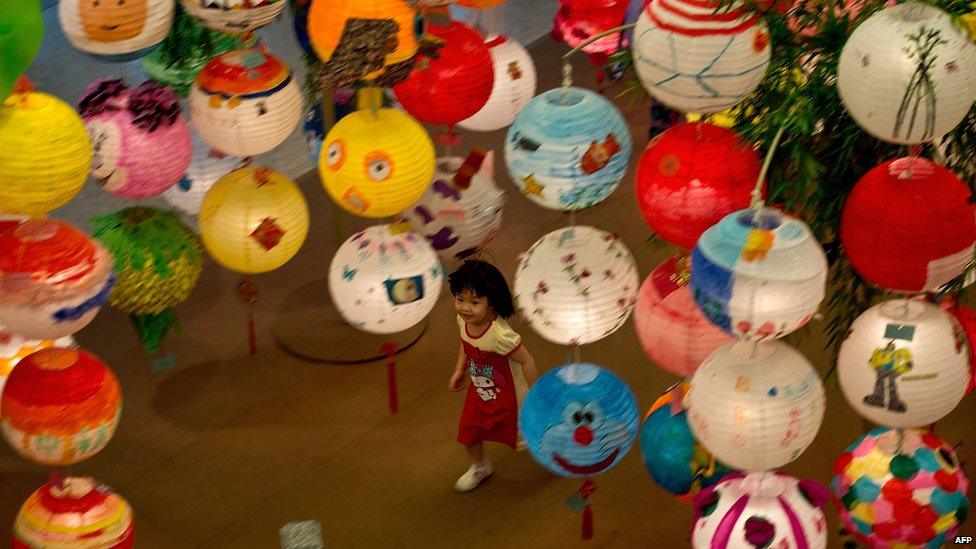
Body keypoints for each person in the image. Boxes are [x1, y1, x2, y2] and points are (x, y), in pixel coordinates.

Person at [448, 260, 537, 493]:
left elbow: (527, 360)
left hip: (510, 399)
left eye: (475, 302)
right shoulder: (463, 321)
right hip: (479, 393)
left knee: (530, 434)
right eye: (460, 299)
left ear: (492, 302)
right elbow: (464, 343)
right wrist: (460, 369)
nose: (465, 308)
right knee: (468, 432)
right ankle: (480, 467)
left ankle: (556, 444)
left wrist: (537, 394)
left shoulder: (500, 335)